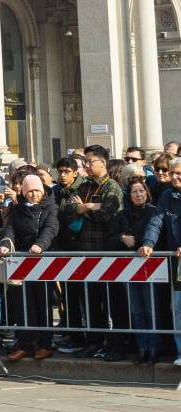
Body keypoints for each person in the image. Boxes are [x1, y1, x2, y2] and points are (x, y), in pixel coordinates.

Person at [59, 145, 123, 358]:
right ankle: (94, 341)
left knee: (109, 302)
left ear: (102, 163)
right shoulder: (85, 186)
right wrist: (89, 207)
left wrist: (85, 208)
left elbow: (108, 213)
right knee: (90, 301)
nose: (85, 165)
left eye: (89, 161)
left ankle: (112, 343)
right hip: (84, 253)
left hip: (105, 252)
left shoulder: (111, 186)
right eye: (84, 162)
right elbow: (68, 209)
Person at [0, 175, 59, 362]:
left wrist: (40, 244)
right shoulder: (17, 210)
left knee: (42, 303)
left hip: (41, 260)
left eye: (37, 190)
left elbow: (51, 228)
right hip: (21, 262)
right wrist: (6, 243)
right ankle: (25, 343)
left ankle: (44, 344)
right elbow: (11, 229)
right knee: (23, 304)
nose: (34, 194)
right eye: (30, 191)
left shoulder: (51, 207)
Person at [112, 176, 158, 364]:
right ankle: (142, 348)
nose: (138, 194)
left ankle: (154, 348)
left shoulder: (154, 212)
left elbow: (157, 235)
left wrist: (139, 242)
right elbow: (111, 237)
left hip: (151, 269)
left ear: (147, 193)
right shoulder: (122, 215)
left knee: (151, 309)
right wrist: (122, 238)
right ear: (128, 195)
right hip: (129, 270)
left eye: (141, 191)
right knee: (137, 311)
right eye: (134, 192)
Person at [141, 157, 181, 366]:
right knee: (178, 306)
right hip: (178, 263)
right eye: (172, 173)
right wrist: (148, 242)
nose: (174, 177)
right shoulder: (167, 196)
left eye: (178, 173)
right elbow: (156, 221)